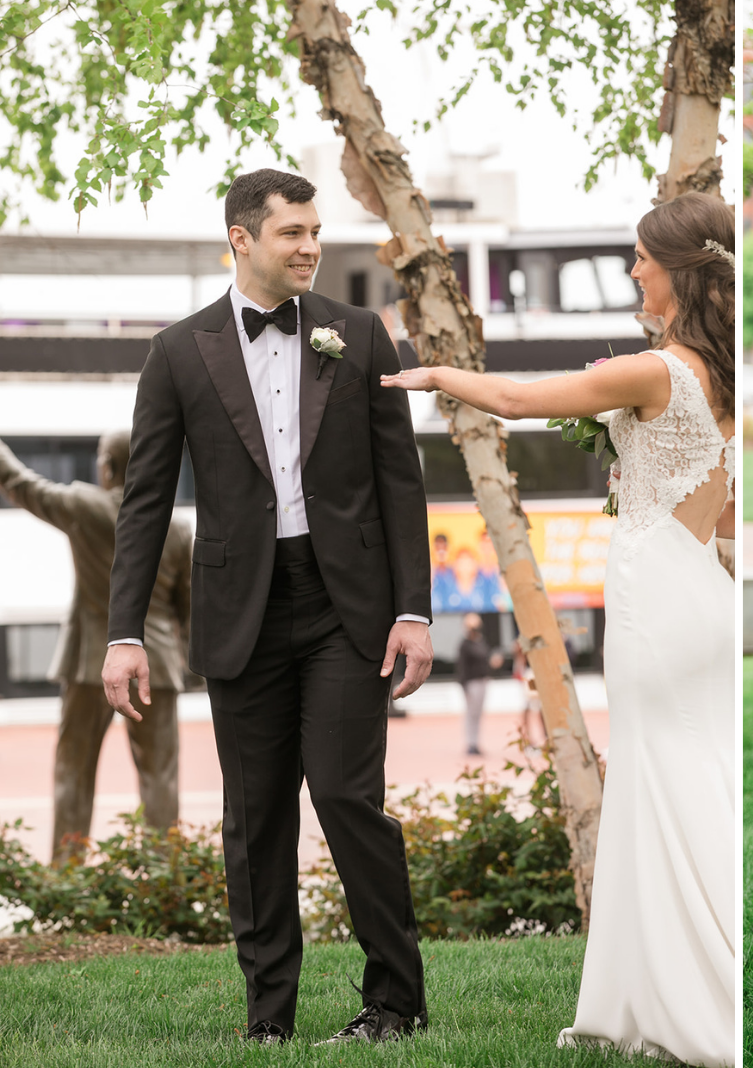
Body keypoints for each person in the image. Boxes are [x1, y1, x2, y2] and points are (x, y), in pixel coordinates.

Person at [383, 190, 735, 1067]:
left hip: (656, 595)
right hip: (700, 588)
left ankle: (695, 990)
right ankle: (660, 982)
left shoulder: (658, 371)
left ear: (680, 271)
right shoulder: (727, 376)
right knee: (690, 773)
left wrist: (434, 375)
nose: (632, 272)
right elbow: (724, 517)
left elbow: (513, 393)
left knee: (663, 781)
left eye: (641, 260)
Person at [102, 168, 434, 1046]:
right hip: (240, 610)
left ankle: (395, 1004)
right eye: (292, 232)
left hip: (346, 609)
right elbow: (144, 502)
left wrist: (415, 611)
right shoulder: (178, 351)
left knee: (345, 798)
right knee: (254, 823)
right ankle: (269, 1019)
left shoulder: (359, 335)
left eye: (316, 230)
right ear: (242, 239)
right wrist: (124, 632)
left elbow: (402, 482)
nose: (311, 246)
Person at [0, 432, 191, 864]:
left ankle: (67, 878)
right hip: (156, 666)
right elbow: (189, 611)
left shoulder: (85, 507)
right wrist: (193, 670)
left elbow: (19, 483)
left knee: (74, 771)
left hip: (89, 660)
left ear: (107, 467)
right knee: (161, 777)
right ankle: (166, 881)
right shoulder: (176, 528)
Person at [455, 612, 502, 756]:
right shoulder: (465, 644)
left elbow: (486, 659)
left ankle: (475, 742)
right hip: (471, 683)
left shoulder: (481, 641)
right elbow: (461, 667)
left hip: (482, 681)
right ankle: (471, 743)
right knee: (471, 714)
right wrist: (464, 686)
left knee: (478, 714)